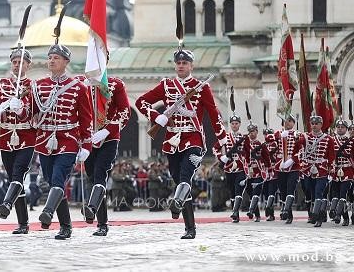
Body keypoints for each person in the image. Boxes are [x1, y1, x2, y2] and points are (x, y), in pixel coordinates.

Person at [136, 47, 227, 239]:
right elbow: (141, 102)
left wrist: (222, 136)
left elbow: (213, 113)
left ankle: (180, 211)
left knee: (186, 175)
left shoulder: (202, 87)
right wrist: (156, 116)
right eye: (178, 63)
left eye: (184, 63)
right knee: (179, 180)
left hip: (194, 139)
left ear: (191, 66)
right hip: (172, 140)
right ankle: (188, 225)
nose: (181, 66)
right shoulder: (166, 85)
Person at [30, 41, 92, 240]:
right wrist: (19, 108)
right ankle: (66, 226)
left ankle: (47, 213)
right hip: (45, 140)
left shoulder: (78, 87)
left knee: (58, 178)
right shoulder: (39, 86)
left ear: (66, 61)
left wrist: (87, 145)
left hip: (68, 139)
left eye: (56, 58)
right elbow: (32, 113)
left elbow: (86, 118)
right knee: (52, 182)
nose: (51, 61)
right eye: (49, 58)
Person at [0, 48, 36, 234]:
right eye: (15, 62)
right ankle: (23, 224)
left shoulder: (33, 85)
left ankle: (7, 204)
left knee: (18, 174)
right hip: (6, 138)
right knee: (13, 180)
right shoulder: (1, 84)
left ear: (28, 65)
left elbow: (36, 111)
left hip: (27, 137)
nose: (17, 65)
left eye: (21, 62)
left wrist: (21, 110)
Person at [82, 70, 131, 236]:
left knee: (100, 173)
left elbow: (125, 111)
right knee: (91, 177)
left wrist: (107, 130)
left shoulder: (115, 84)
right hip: (87, 138)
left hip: (108, 138)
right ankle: (98, 217)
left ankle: (97, 216)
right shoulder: (81, 83)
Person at [299, 115, 335, 227]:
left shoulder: (328, 139)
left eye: (316, 124)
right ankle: (313, 214)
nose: (314, 126)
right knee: (310, 191)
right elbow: (299, 149)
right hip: (308, 168)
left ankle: (317, 216)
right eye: (312, 123)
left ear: (321, 124)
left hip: (322, 169)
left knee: (318, 192)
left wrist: (331, 170)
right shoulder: (305, 137)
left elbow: (331, 156)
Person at [213, 113, 247, 223]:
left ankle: (236, 212)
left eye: (236, 123)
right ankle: (234, 212)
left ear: (240, 124)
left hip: (240, 167)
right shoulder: (225, 137)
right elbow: (215, 148)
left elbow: (248, 152)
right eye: (232, 123)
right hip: (229, 168)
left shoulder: (244, 137)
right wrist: (221, 157)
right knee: (232, 191)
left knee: (238, 190)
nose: (234, 125)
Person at [273, 114, 301, 224]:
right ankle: (287, 212)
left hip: (293, 167)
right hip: (281, 167)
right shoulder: (278, 134)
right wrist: (280, 135)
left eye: (290, 121)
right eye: (286, 121)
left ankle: (287, 213)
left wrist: (292, 160)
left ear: (294, 123)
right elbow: (269, 140)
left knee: (290, 189)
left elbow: (301, 150)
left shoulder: (297, 134)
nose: (287, 123)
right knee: (283, 191)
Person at [242, 123, 271, 222]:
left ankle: (250, 211)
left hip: (259, 171)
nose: (251, 133)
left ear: (257, 132)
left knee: (256, 193)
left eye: (253, 131)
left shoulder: (261, 144)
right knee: (250, 193)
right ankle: (257, 215)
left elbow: (267, 157)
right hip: (249, 173)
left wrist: (269, 169)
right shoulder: (245, 144)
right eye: (250, 131)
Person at [330, 118, 353, 225]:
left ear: (346, 129)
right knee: (336, 195)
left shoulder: (351, 141)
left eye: (342, 127)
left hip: (347, 170)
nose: (340, 129)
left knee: (343, 193)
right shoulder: (331, 140)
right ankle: (345, 217)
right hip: (335, 170)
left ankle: (338, 215)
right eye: (338, 127)